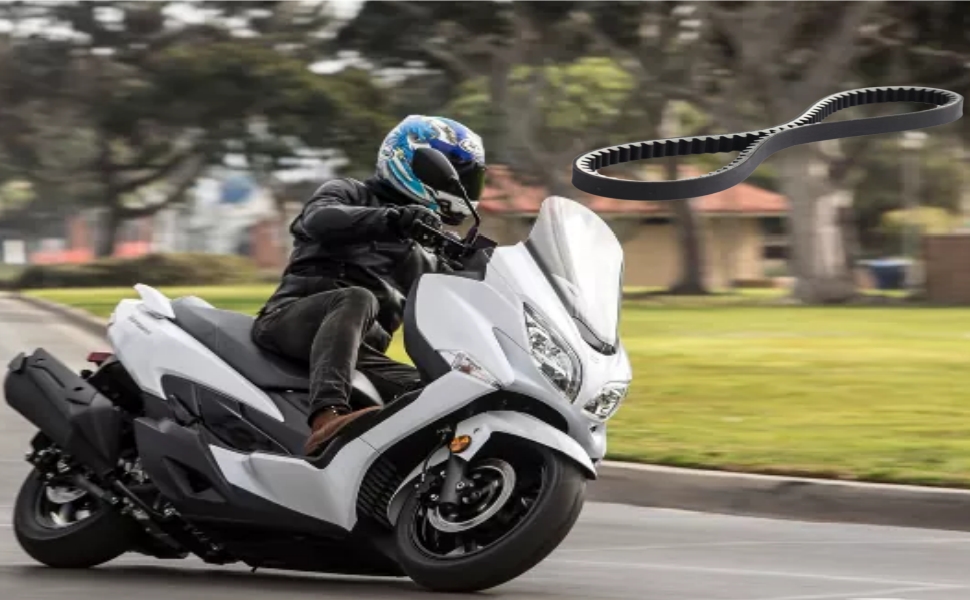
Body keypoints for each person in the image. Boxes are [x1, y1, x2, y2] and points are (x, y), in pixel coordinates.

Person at [252, 115, 487, 455]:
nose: (464, 186)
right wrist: (394, 219)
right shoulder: (349, 192)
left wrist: (492, 267)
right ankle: (326, 417)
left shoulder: (428, 245)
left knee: (440, 394)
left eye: (470, 179)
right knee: (357, 298)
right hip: (290, 322)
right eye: (458, 176)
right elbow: (318, 219)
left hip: (360, 355)